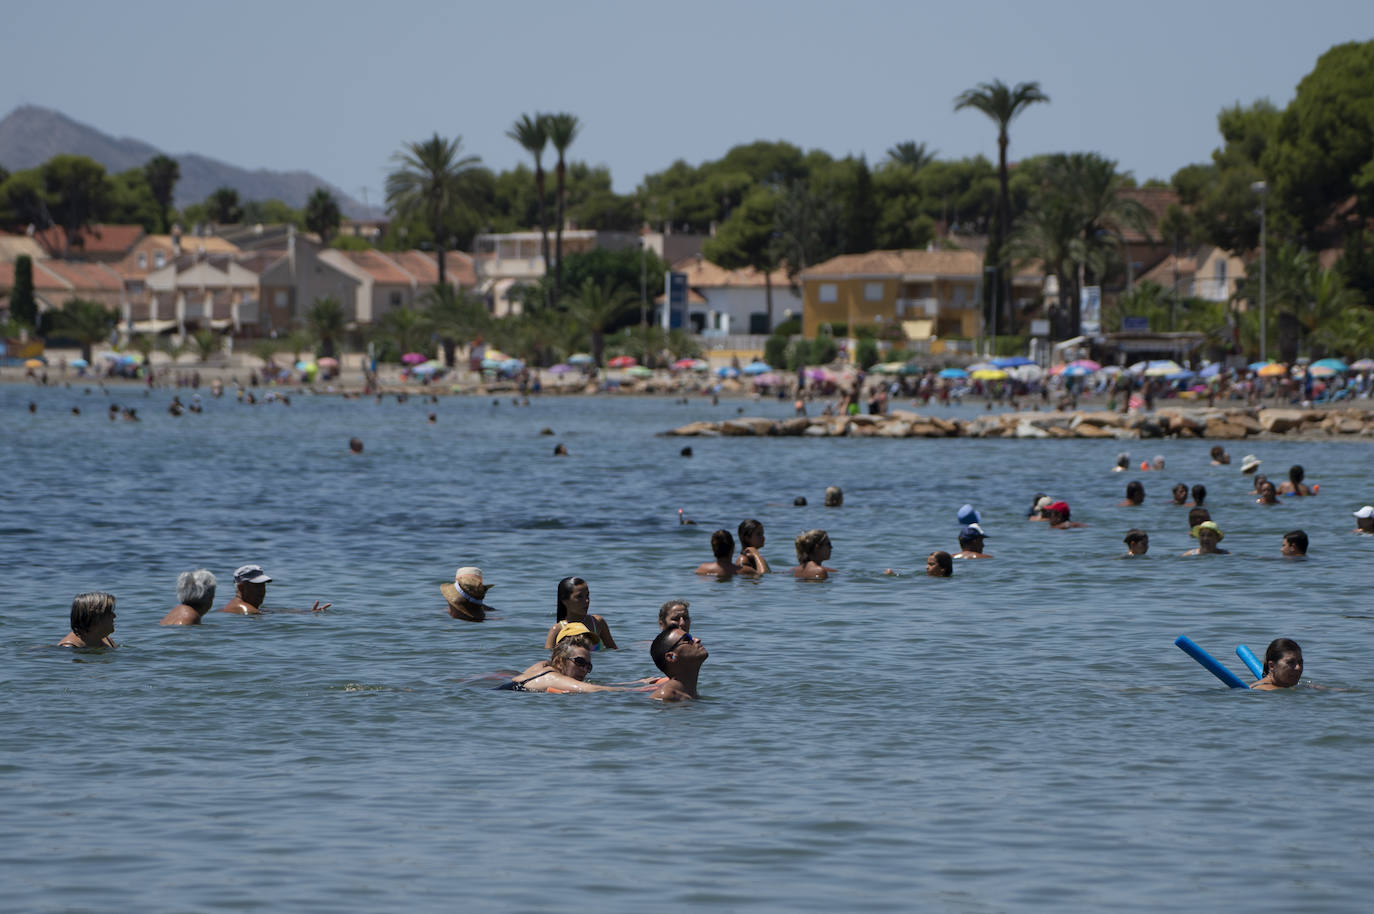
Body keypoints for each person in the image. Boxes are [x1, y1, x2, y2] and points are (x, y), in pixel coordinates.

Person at [504, 625, 621, 693]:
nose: (584, 670)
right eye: (579, 662)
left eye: (589, 666)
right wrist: (631, 690)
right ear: (560, 660)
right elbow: (590, 688)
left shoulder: (543, 666)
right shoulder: (552, 676)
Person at [219, 564, 331, 614]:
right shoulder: (248, 610)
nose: (262, 590)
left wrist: (308, 612)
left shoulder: (239, 606)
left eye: (263, 585)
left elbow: (273, 611)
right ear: (241, 587)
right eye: (257, 586)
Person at [544, 576, 618, 649]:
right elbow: (549, 658)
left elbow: (613, 651)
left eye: (587, 596)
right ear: (564, 601)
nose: (586, 601)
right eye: (579, 597)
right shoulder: (557, 630)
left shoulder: (597, 622)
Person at [649, 627, 708, 701]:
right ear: (671, 657)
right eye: (687, 639)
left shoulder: (691, 695)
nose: (697, 640)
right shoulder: (667, 695)